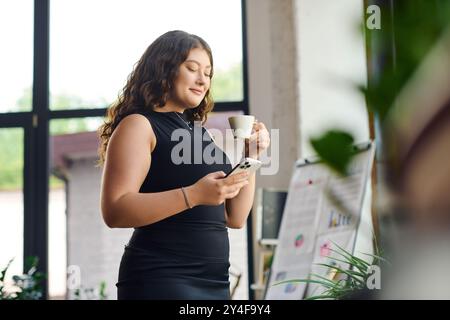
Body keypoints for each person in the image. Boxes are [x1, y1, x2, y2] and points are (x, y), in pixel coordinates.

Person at [97, 30, 270, 300]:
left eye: (208, 73)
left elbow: (234, 217)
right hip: (161, 278)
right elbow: (114, 209)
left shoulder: (199, 133)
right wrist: (195, 194)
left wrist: (252, 156)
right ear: (164, 69)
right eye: (192, 68)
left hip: (215, 282)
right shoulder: (139, 125)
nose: (203, 80)